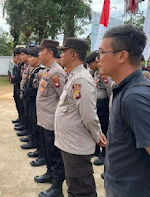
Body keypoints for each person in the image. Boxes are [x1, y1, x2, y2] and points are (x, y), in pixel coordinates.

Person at [98, 25, 150, 196]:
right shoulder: (127, 89)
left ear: (122, 56)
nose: (98, 58)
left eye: (102, 52)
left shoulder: (136, 97)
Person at [55, 38, 107, 197]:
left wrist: (97, 135)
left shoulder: (81, 79)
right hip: (69, 143)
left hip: (76, 145)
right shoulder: (73, 76)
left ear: (73, 55)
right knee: (73, 186)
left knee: (82, 189)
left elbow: (89, 114)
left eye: (64, 52)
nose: (61, 56)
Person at [34, 39, 66, 197]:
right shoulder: (48, 70)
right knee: (47, 151)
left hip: (52, 122)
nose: (39, 53)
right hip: (44, 120)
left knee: (55, 154)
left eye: (41, 51)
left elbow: (63, 99)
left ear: (50, 53)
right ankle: (49, 173)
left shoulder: (57, 72)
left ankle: (57, 187)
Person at [85, 50, 112, 166]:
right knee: (97, 128)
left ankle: (104, 154)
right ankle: (96, 150)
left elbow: (110, 91)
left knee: (104, 130)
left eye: (91, 64)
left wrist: (111, 109)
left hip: (103, 106)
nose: (90, 67)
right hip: (97, 105)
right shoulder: (96, 73)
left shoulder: (105, 75)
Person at [23, 47, 46, 167]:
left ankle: (42, 153)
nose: (29, 59)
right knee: (33, 125)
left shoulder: (41, 71)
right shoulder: (34, 69)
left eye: (31, 57)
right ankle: (38, 149)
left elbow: (40, 89)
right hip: (31, 101)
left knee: (38, 128)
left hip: (36, 102)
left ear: (38, 58)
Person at [11, 47, 23, 124]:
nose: (15, 57)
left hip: (20, 87)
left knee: (22, 106)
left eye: (16, 55)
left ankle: (23, 121)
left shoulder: (23, 66)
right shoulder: (17, 66)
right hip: (16, 87)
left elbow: (19, 77)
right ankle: (20, 118)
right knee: (18, 104)